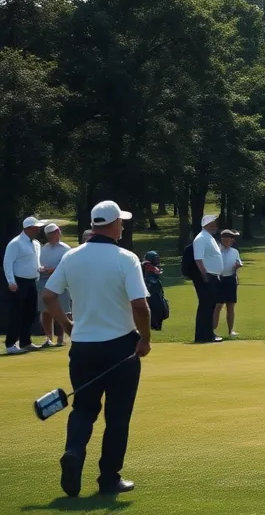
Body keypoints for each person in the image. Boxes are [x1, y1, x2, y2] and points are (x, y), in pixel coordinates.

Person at [42, 200, 150, 497]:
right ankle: (108, 478)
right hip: (121, 349)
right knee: (117, 416)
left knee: (84, 407)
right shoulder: (126, 258)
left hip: (83, 347)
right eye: (121, 222)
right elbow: (140, 305)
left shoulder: (72, 257)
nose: (123, 226)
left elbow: (49, 295)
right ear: (113, 224)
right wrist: (145, 339)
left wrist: (66, 325)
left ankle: (74, 451)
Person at [5, 215, 46, 354]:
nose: (38, 230)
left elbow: (36, 261)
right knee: (17, 313)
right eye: (36, 228)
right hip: (18, 282)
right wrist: (11, 281)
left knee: (30, 313)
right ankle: (11, 344)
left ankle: (25, 342)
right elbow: (8, 263)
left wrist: (39, 267)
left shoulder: (35, 243)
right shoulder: (15, 243)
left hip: (32, 281)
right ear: (28, 228)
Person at [39, 223, 73, 347]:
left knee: (63, 310)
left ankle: (61, 338)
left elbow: (68, 267)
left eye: (54, 232)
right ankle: (49, 338)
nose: (52, 235)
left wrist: (53, 270)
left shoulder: (66, 248)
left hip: (61, 282)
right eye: (49, 234)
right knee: (45, 311)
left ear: (58, 232)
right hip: (44, 281)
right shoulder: (44, 248)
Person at [191, 215, 224, 344]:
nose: (215, 226)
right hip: (206, 276)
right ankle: (203, 335)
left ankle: (208, 333)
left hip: (212, 275)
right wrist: (204, 274)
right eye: (212, 224)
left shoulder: (208, 237)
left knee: (210, 306)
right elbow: (198, 258)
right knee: (206, 305)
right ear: (206, 225)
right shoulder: (201, 238)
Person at [213, 230, 242, 337]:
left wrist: (237, 266)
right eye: (231, 238)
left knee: (231, 306)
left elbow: (238, 263)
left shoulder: (235, 252)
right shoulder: (217, 250)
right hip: (219, 280)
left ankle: (230, 331)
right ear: (224, 239)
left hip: (231, 280)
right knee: (218, 306)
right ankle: (213, 331)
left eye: (233, 239)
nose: (232, 240)